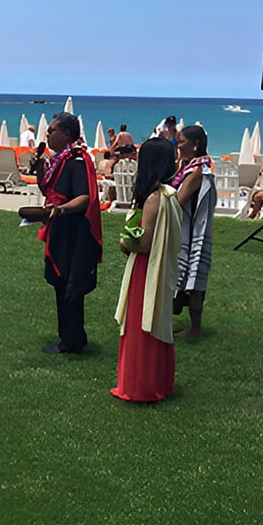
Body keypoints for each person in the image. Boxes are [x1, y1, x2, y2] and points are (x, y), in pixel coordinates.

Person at [111, 137, 182, 401]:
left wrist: (124, 242)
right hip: (158, 267)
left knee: (142, 321)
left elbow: (145, 243)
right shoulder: (168, 195)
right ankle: (157, 381)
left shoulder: (154, 198)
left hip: (145, 268)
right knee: (153, 319)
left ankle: (140, 385)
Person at [36, 112, 102, 354]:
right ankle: (72, 336)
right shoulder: (60, 160)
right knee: (59, 282)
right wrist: (40, 171)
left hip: (73, 231)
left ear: (66, 134)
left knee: (68, 283)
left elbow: (84, 198)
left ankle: (70, 341)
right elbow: (49, 190)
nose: (47, 134)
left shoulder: (77, 160)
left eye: (51, 131)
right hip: (60, 227)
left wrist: (59, 210)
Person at [171, 125, 217, 338]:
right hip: (190, 230)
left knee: (194, 277)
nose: (178, 146)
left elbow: (179, 201)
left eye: (181, 142)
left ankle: (195, 328)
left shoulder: (197, 171)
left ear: (195, 145)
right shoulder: (198, 166)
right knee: (193, 278)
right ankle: (191, 323)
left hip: (190, 234)